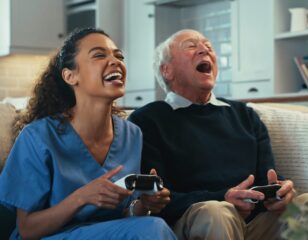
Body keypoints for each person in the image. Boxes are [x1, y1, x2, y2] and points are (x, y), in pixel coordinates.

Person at [0, 28, 176, 240]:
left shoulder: (132, 134)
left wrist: (144, 206)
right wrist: (82, 197)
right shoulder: (37, 137)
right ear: (70, 76)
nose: (115, 61)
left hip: (106, 234)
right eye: (100, 55)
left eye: (119, 55)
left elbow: (124, 215)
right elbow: (27, 229)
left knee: (151, 225)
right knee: (152, 229)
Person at [128, 29, 296, 240]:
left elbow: (268, 177)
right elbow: (158, 199)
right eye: (191, 45)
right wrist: (223, 198)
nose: (203, 49)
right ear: (167, 70)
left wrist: (281, 191)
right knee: (217, 212)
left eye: (208, 46)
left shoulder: (245, 115)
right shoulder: (147, 120)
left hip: (255, 222)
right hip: (197, 220)